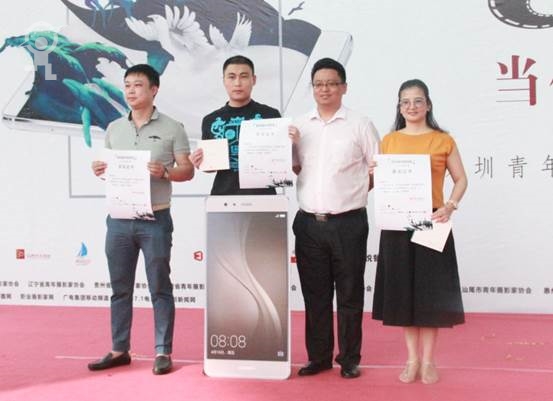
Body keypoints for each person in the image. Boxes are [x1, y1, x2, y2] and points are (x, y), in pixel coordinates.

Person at [88, 64, 194, 375]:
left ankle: (163, 351)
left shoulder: (173, 127)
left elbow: (187, 170)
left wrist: (166, 172)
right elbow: (110, 170)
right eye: (127, 85)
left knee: (160, 286)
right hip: (119, 219)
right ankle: (119, 349)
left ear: (154, 89)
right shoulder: (114, 128)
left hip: (155, 218)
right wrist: (100, 170)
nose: (131, 90)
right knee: (119, 288)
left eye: (137, 85)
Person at [372, 79, 467, 384]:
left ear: (428, 105)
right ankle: (411, 359)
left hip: (432, 223)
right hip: (397, 225)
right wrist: (375, 174)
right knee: (403, 294)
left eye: (417, 101)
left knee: (429, 295)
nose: (411, 106)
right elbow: (379, 184)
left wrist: (450, 206)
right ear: (399, 107)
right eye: (405, 102)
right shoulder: (389, 141)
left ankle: (428, 361)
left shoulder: (443, 140)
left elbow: (461, 179)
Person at [289, 58, 379, 379]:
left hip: (348, 223)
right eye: (318, 84)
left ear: (344, 87)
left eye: (331, 83)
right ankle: (319, 357)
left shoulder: (360, 124)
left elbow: (378, 168)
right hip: (309, 223)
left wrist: (354, 193)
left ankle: (349, 358)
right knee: (315, 295)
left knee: (350, 294)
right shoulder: (300, 126)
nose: (324, 89)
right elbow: (296, 167)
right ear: (312, 88)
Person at [188, 55, 281, 194]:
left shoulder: (270, 115)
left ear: (253, 80)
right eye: (231, 77)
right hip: (224, 195)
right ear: (224, 80)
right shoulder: (211, 120)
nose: (237, 83)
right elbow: (211, 167)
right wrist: (200, 162)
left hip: (263, 196)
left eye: (244, 76)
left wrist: (289, 144)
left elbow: (279, 160)